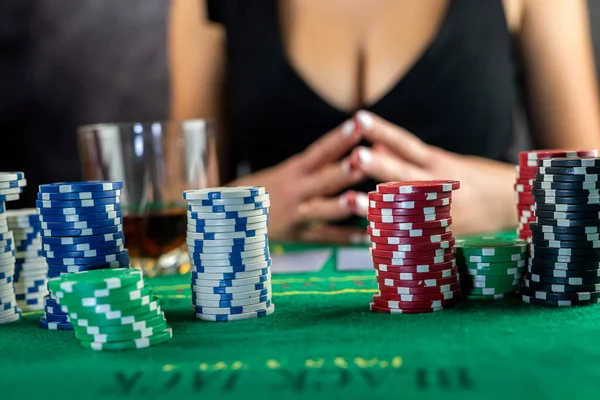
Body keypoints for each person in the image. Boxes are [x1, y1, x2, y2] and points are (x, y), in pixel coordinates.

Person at [169, 0, 600, 241]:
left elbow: (592, 191)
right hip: (272, 314)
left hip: (471, 310)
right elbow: (174, 211)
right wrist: (244, 210)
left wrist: (510, 199)